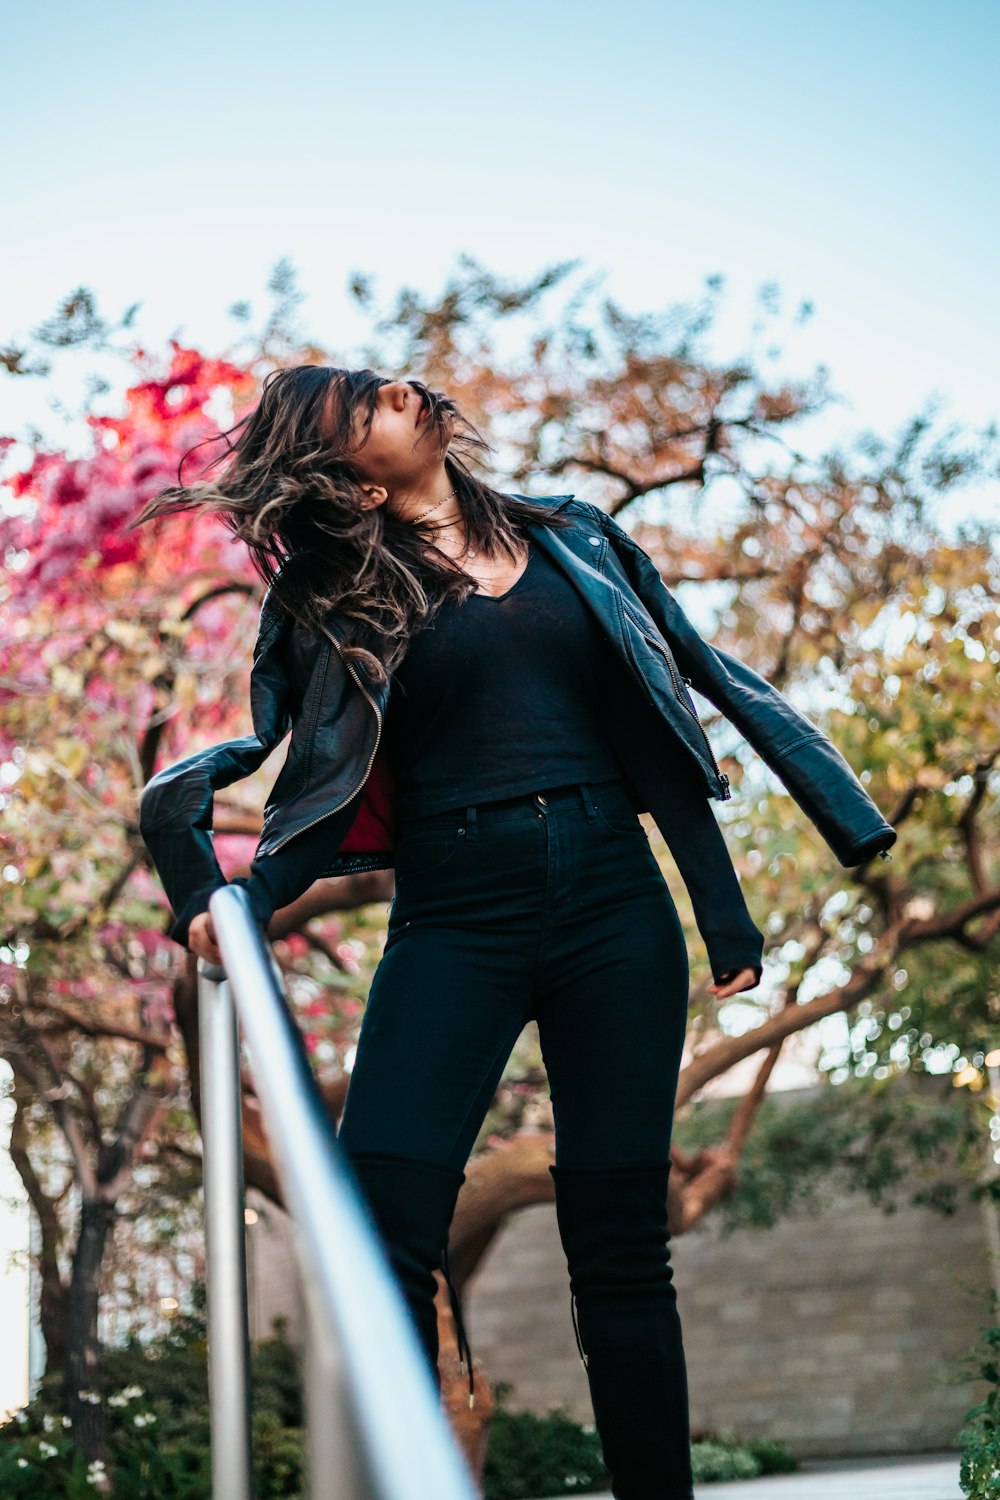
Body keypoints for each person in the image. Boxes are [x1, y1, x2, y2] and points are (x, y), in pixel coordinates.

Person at [134, 365, 895, 1500]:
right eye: (368, 407)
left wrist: (720, 905)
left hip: (614, 904)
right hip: (453, 913)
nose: (403, 388)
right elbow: (307, 764)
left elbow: (660, 720)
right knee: (387, 1228)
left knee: (621, 1244)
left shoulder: (576, 538)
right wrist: (239, 895)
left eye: (394, 385)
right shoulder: (334, 597)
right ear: (357, 483)